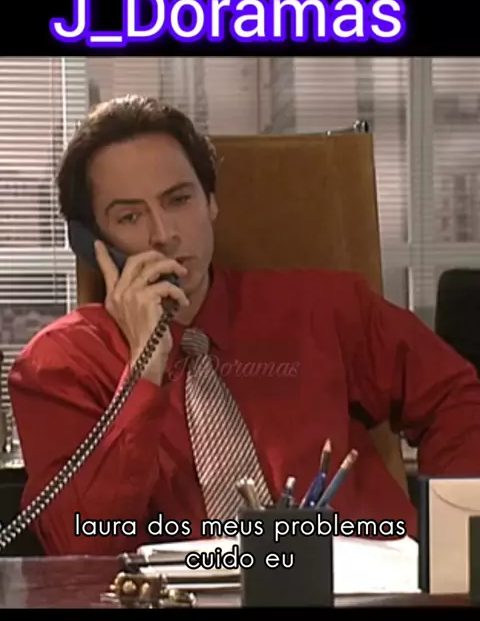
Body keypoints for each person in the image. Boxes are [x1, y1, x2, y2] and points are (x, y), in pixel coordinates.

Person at [7, 95, 480, 559]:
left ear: (211, 202)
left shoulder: (325, 307)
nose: (164, 234)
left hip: (365, 585)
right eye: (129, 216)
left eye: (179, 200)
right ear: (90, 241)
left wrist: (452, 543)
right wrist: (143, 371)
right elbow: (81, 545)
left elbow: (455, 396)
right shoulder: (58, 366)